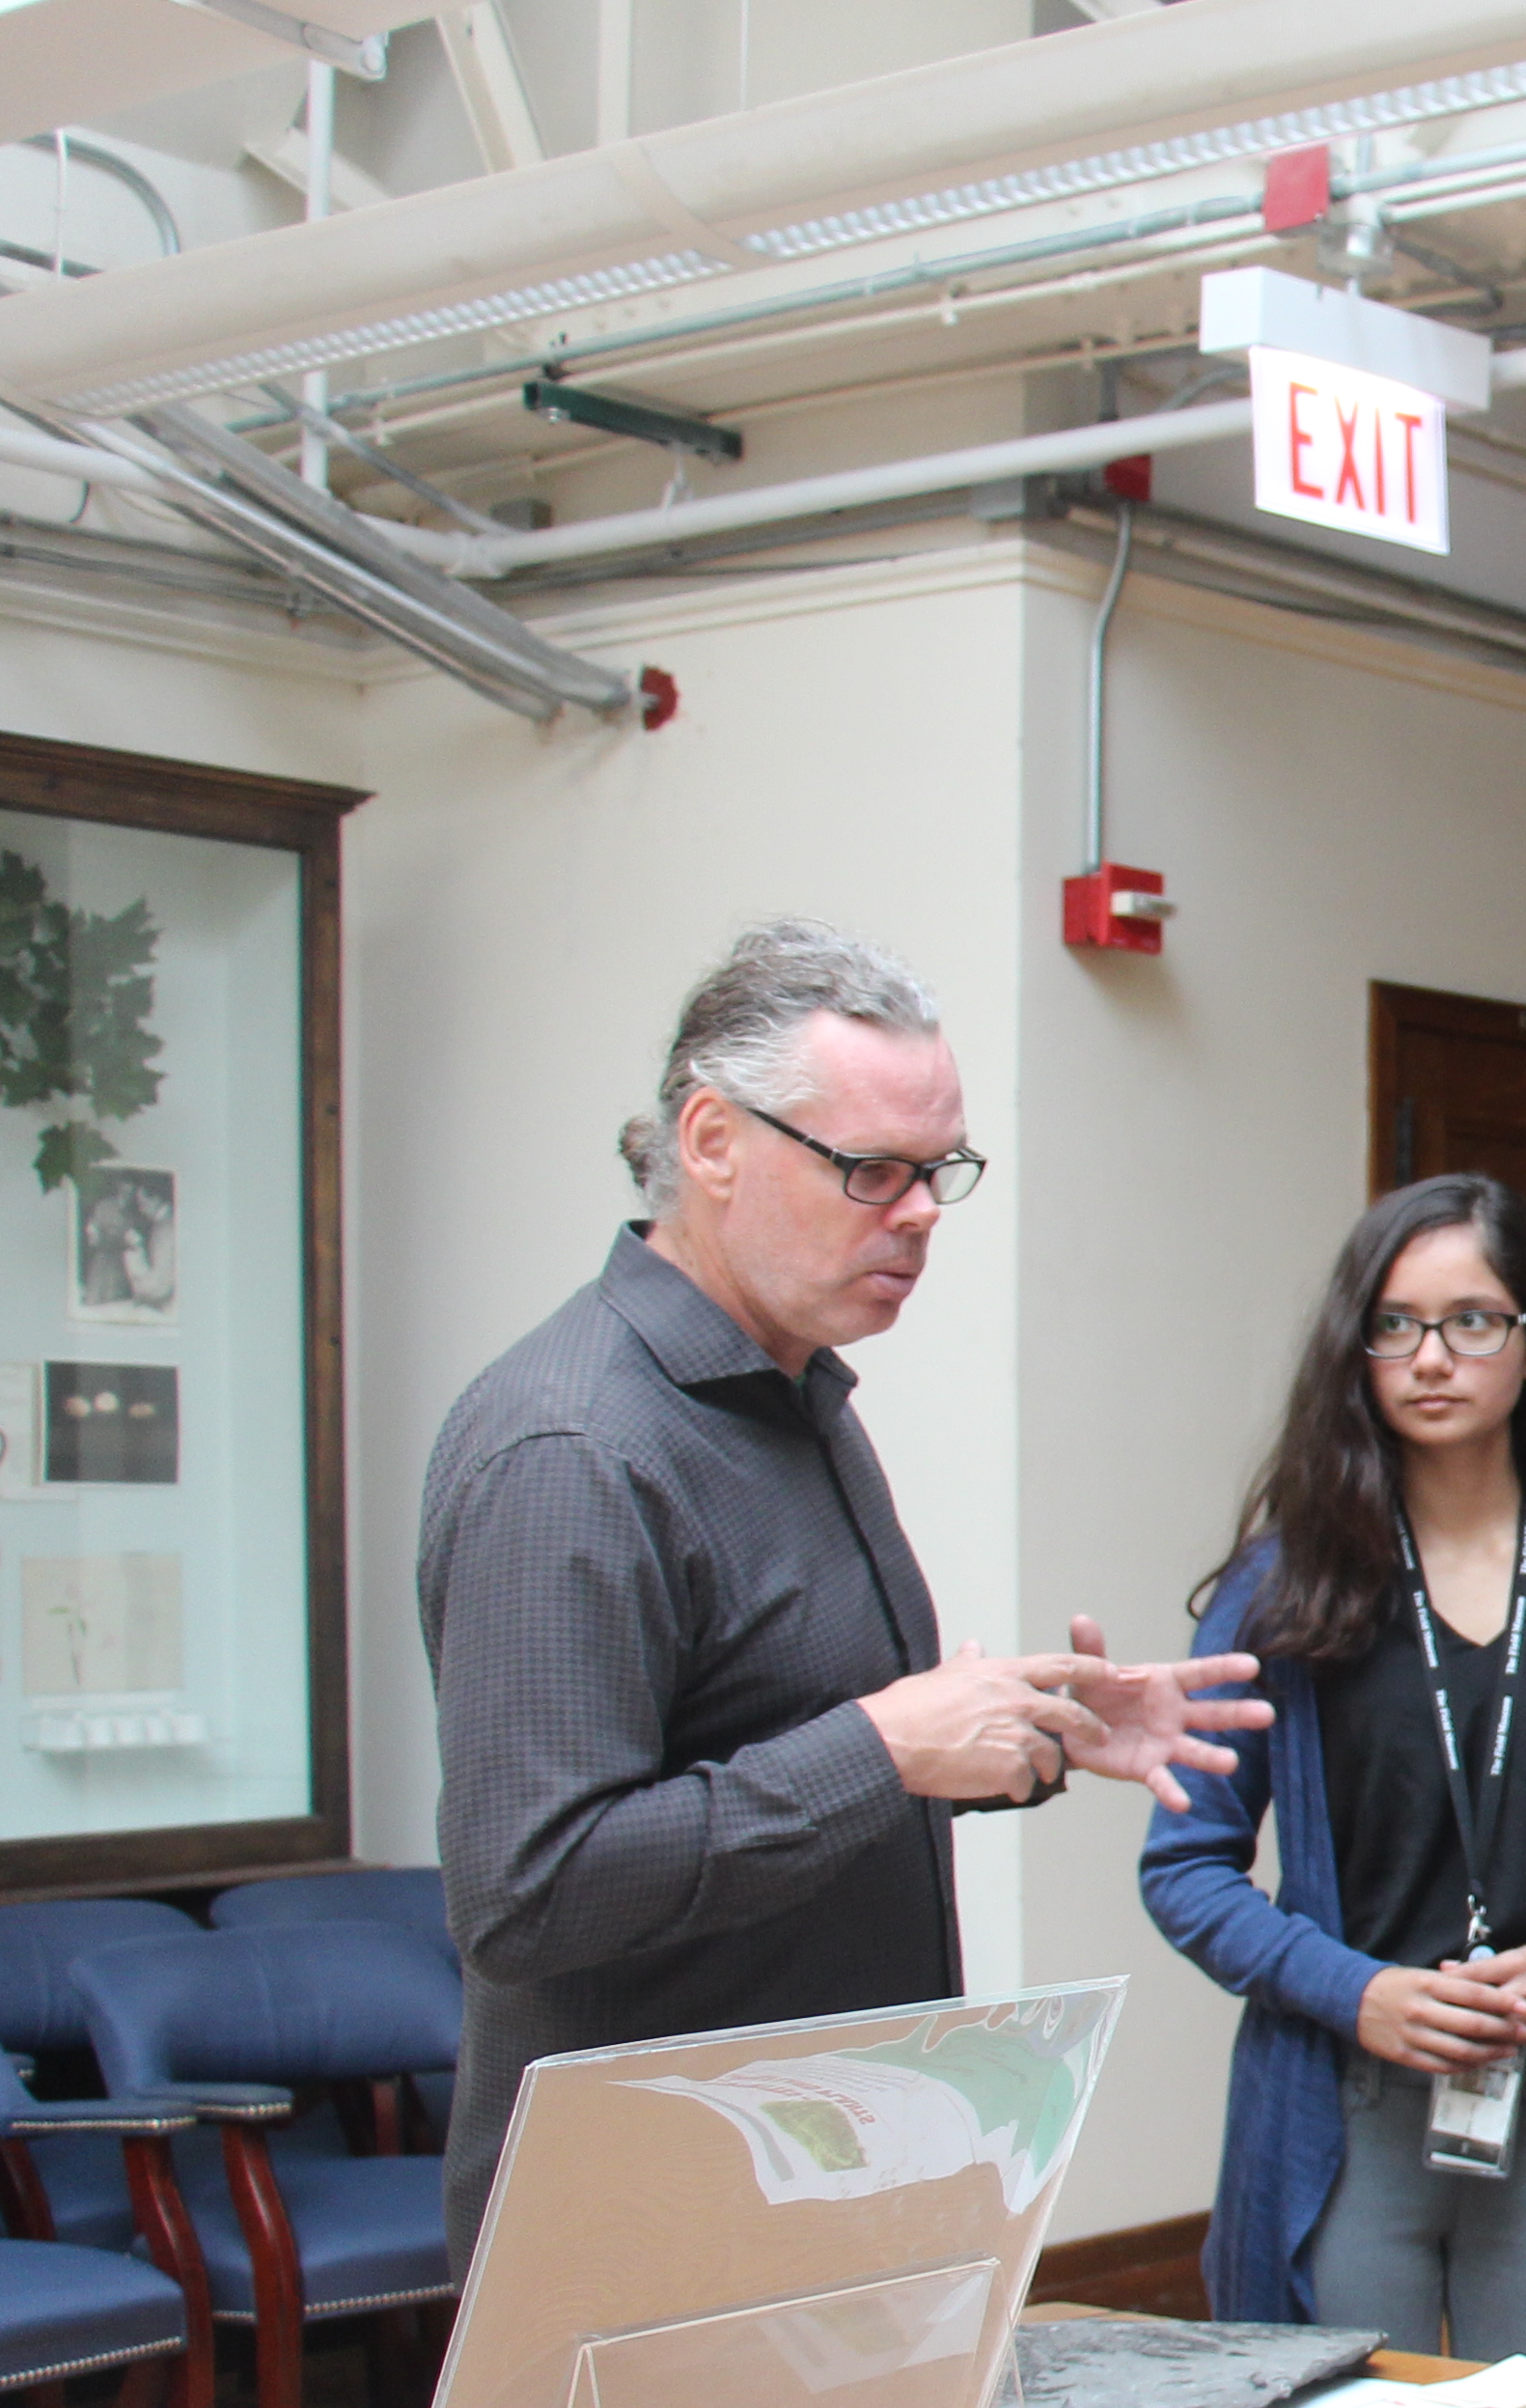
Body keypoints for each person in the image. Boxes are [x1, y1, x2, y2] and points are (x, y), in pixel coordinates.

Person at [419, 922, 1262, 2264]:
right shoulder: (571, 1448)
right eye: (875, 1171)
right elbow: (533, 1894)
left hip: (834, 2191)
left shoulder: (795, 1397)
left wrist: (1016, 1727)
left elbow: (790, 1740)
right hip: (649, 2240)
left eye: (941, 1172)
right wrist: (882, 1750)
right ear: (710, 1143)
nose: (922, 1214)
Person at [1139, 1177, 1526, 2368]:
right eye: (1396, 1323)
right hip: (1343, 2101)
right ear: (1356, 1348)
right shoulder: (1282, 1590)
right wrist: (1354, 1991)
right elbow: (1188, 1869)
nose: (1431, 1357)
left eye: (1474, 1320)